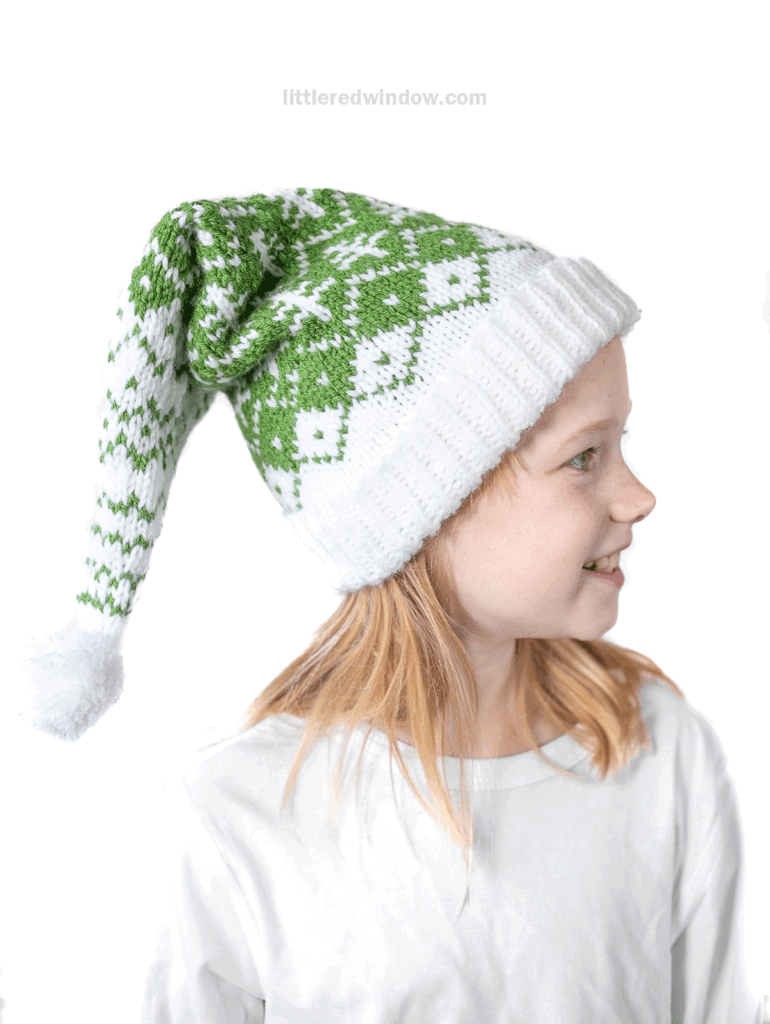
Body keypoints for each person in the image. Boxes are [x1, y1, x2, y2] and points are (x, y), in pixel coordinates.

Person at [18, 188, 767, 1022]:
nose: (638, 496)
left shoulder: (655, 754)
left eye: (621, 443)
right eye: (584, 458)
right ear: (426, 505)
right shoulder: (234, 823)